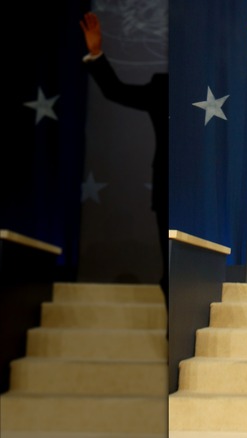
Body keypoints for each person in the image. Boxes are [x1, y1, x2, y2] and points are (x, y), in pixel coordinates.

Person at [79, 12, 169, 309]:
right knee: (170, 268)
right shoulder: (162, 86)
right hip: (167, 186)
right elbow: (116, 91)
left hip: (201, 188)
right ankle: (173, 334)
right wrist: (96, 53)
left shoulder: (207, 84)